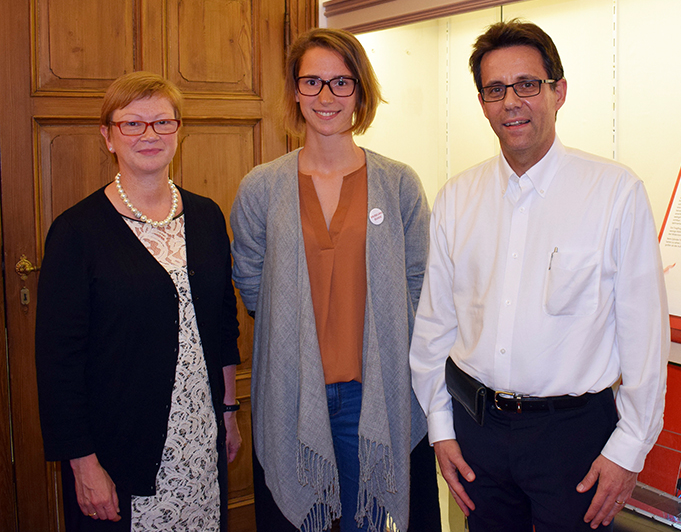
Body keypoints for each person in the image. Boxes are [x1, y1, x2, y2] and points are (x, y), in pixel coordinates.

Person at [409, 19, 669, 531]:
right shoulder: (458, 197)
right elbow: (435, 325)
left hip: (572, 437)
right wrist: (441, 428)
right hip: (477, 428)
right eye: (494, 89)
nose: (511, 102)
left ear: (559, 91)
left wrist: (629, 450)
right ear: (482, 102)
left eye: (527, 84)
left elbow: (644, 334)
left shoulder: (614, 193)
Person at [230, 28, 440, 532]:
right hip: (292, 394)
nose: (326, 97)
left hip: (374, 397)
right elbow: (250, 277)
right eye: (313, 82)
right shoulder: (262, 186)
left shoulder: (398, 183)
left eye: (341, 83)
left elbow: (418, 284)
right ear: (295, 91)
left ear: (361, 93)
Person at [36, 71, 242, 532]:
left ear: (178, 131)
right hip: (118, 449)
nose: (149, 135)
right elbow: (58, 363)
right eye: (132, 124)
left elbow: (223, 324)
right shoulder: (76, 232)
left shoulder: (207, 216)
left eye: (162, 122)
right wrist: (82, 464)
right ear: (108, 136)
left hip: (198, 439)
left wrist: (229, 413)